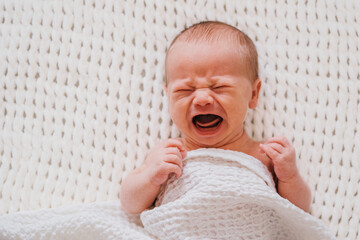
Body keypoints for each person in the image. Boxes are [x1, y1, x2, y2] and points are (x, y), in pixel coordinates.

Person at [120, 21, 311, 214]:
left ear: (253, 94)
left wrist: (289, 177)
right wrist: (151, 177)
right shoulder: (168, 154)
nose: (202, 99)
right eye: (185, 90)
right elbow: (130, 204)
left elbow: (300, 212)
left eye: (219, 87)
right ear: (168, 96)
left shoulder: (264, 155)